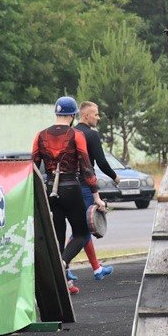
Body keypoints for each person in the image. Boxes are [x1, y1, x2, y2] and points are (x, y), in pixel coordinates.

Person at [31, 97, 111, 295]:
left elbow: (32, 165)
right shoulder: (76, 135)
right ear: (74, 114)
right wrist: (97, 197)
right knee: (82, 233)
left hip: (50, 190)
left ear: (56, 113)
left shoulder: (40, 135)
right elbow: (86, 168)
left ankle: (63, 282)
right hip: (71, 187)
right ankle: (63, 263)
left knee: (58, 236)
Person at [76, 101, 118, 280]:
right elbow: (101, 162)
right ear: (86, 116)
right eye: (96, 114)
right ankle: (64, 263)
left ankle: (96, 268)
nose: (98, 118)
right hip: (85, 184)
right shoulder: (91, 135)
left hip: (68, 184)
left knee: (79, 227)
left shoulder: (72, 133)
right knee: (84, 228)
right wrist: (114, 176)